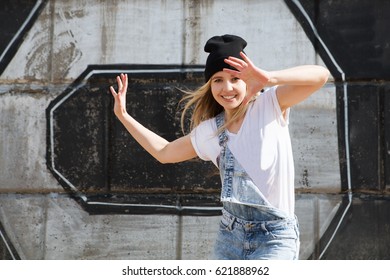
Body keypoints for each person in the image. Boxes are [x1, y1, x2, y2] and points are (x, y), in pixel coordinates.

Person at [110, 34, 329, 260]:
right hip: (230, 238)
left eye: (235, 78)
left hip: (274, 239)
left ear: (247, 80)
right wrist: (124, 116)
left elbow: (321, 76)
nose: (227, 87)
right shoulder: (211, 132)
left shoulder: (269, 105)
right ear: (209, 86)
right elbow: (164, 152)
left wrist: (269, 78)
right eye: (217, 80)